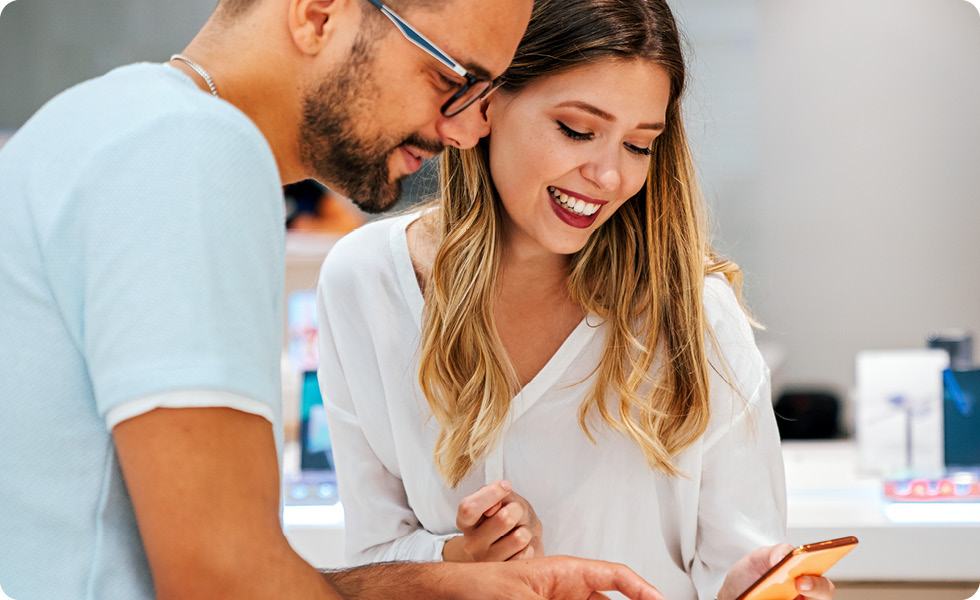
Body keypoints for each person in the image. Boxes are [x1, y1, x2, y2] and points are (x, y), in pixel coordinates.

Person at [0, 0, 668, 598]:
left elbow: (206, 564)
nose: (462, 133)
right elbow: (219, 579)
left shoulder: (87, 125)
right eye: (450, 80)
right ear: (319, 14)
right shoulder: (197, 151)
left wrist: (445, 584)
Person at [315, 1, 837, 599]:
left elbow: (737, 565)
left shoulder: (696, 313)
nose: (610, 176)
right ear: (487, 103)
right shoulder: (362, 283)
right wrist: (463, 560)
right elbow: (371, 559)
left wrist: (749, 590)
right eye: (578, 130)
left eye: (639, 145)